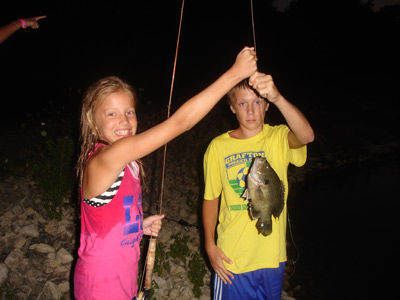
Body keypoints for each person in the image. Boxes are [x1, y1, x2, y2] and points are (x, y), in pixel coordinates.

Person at [73, 46, 258, 300]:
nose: (124, 121)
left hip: (123, 279)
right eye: (111, 114)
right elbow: (181, 122)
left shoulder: (126, 163)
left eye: (129, 111)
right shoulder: (106, 158)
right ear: (93, 122)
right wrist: (235, 75)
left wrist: (138, 227)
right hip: (99, 285)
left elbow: (107, 217)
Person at [202, 71, 314, 300]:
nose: (251, 110)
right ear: (232, 107)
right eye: (242, 103)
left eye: (257, 102)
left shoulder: (278, 137)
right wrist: (210, 246)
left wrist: (277, 97)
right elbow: (211, 199)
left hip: (272, 257)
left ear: (266, 106)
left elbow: (307, 136)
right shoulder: (217, 147)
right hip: (232, 257)